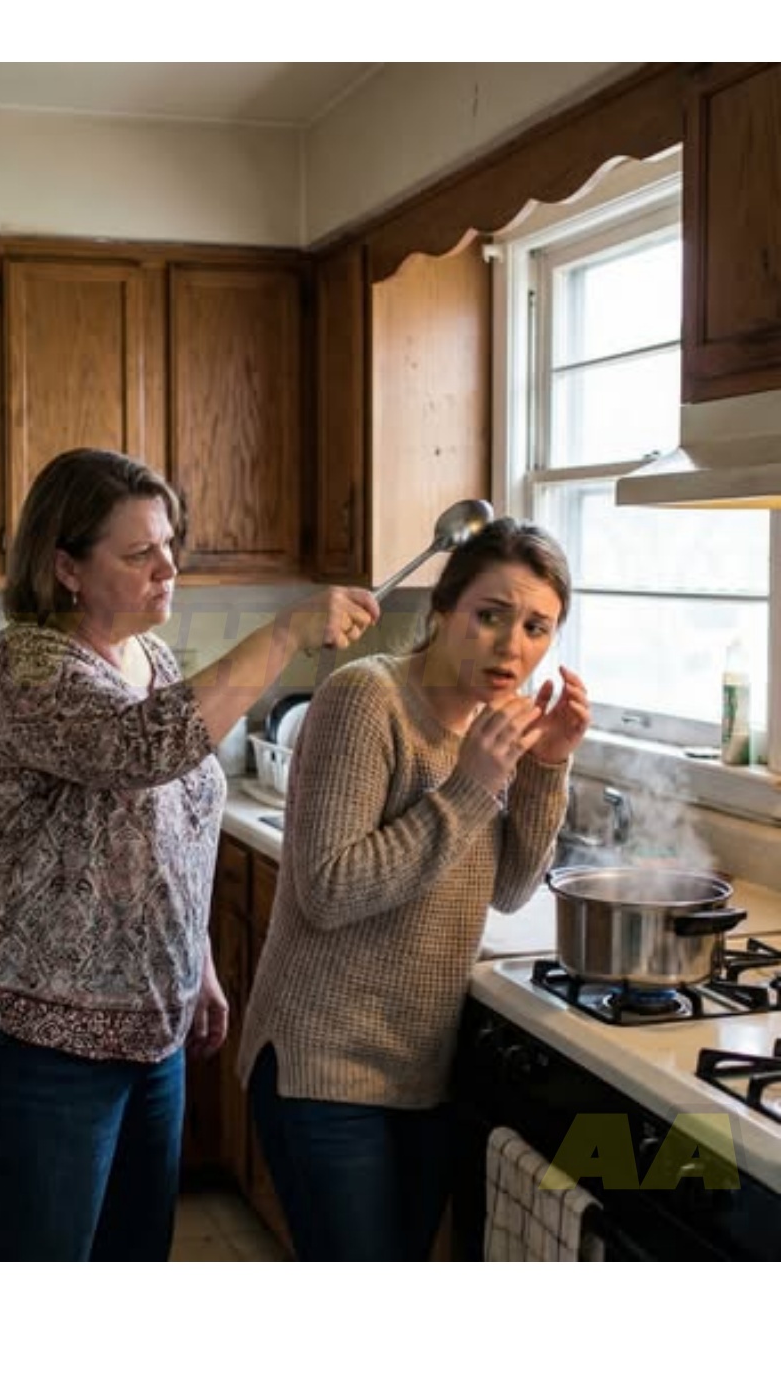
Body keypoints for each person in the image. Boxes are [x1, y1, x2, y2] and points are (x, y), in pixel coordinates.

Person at [0, 446, 380, 1261]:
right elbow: (144, 748)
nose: (167, 566)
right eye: (139, 552)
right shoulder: (22, 665)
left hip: (152, 1029)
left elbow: (174, 831)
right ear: (66, 566)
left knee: (137, 1256)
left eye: (169, 543)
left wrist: (196, 960)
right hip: (37, 1039)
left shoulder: (157, 658)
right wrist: (285, 632)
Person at [238, 517, 591, 1261]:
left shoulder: (494, 729)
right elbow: (329, 888)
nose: (512, 646)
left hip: (421, 1071)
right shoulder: (366, 699)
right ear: (443, 611)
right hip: (324, 1067)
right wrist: (472, 788)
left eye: (537, 627)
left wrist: (548, 763)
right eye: (490, 615)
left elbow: (513, 889)